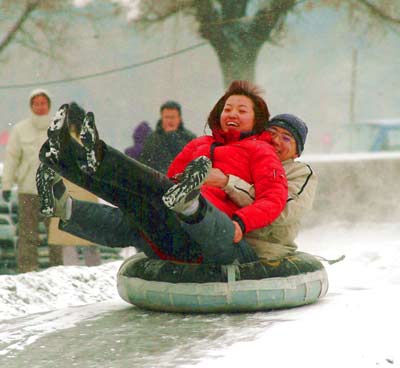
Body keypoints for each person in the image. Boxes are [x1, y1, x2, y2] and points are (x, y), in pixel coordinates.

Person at [36, 80, 288, 265]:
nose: (232, 113)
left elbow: (273, 198)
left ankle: (101, 157)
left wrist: (243, 222)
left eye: (242, 110)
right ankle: (62, 157)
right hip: (174, 230)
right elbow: (170, 182)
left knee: (157, 192)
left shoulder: (260, 151)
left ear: (256, 120)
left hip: (215, 233)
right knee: (139, 195)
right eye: (228, 108)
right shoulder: (198, 145)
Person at [205, 114, 317, 262]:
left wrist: (228, 183)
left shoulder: (300, 174)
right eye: (271, 133)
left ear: (296, 152)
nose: (275, 140)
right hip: (222, 239)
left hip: (262, 249)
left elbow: (280, 210)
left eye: (286, 138)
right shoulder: (245, 160)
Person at [1, 89, 63, 272]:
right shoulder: (20, 130)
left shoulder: (58, 129)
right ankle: (27, 268)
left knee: (56, 232)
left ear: (49, 105)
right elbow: (12, 158)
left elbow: (67, 159)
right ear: (31, 106)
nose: (40, 107)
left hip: (53, 189)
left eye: (43, 103)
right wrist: (7, 184)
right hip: (27, 189)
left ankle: (58, 269)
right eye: (36, 103)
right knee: (27, 233)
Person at [47, 102, 101, 266]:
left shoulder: (59, 138)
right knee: (90, 239)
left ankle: (70, 270)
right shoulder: (90, 137)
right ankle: (94, 271)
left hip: (66, 190)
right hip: (88, 190)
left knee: (67, 241)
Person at [138, 101, 196, 173]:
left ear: (179, 118)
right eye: (166, 117)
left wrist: (171, 136)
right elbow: (144, 163)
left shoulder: (189, 138)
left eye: (172, 117)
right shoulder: (152, 139)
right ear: (162, 118)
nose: (169, 121)